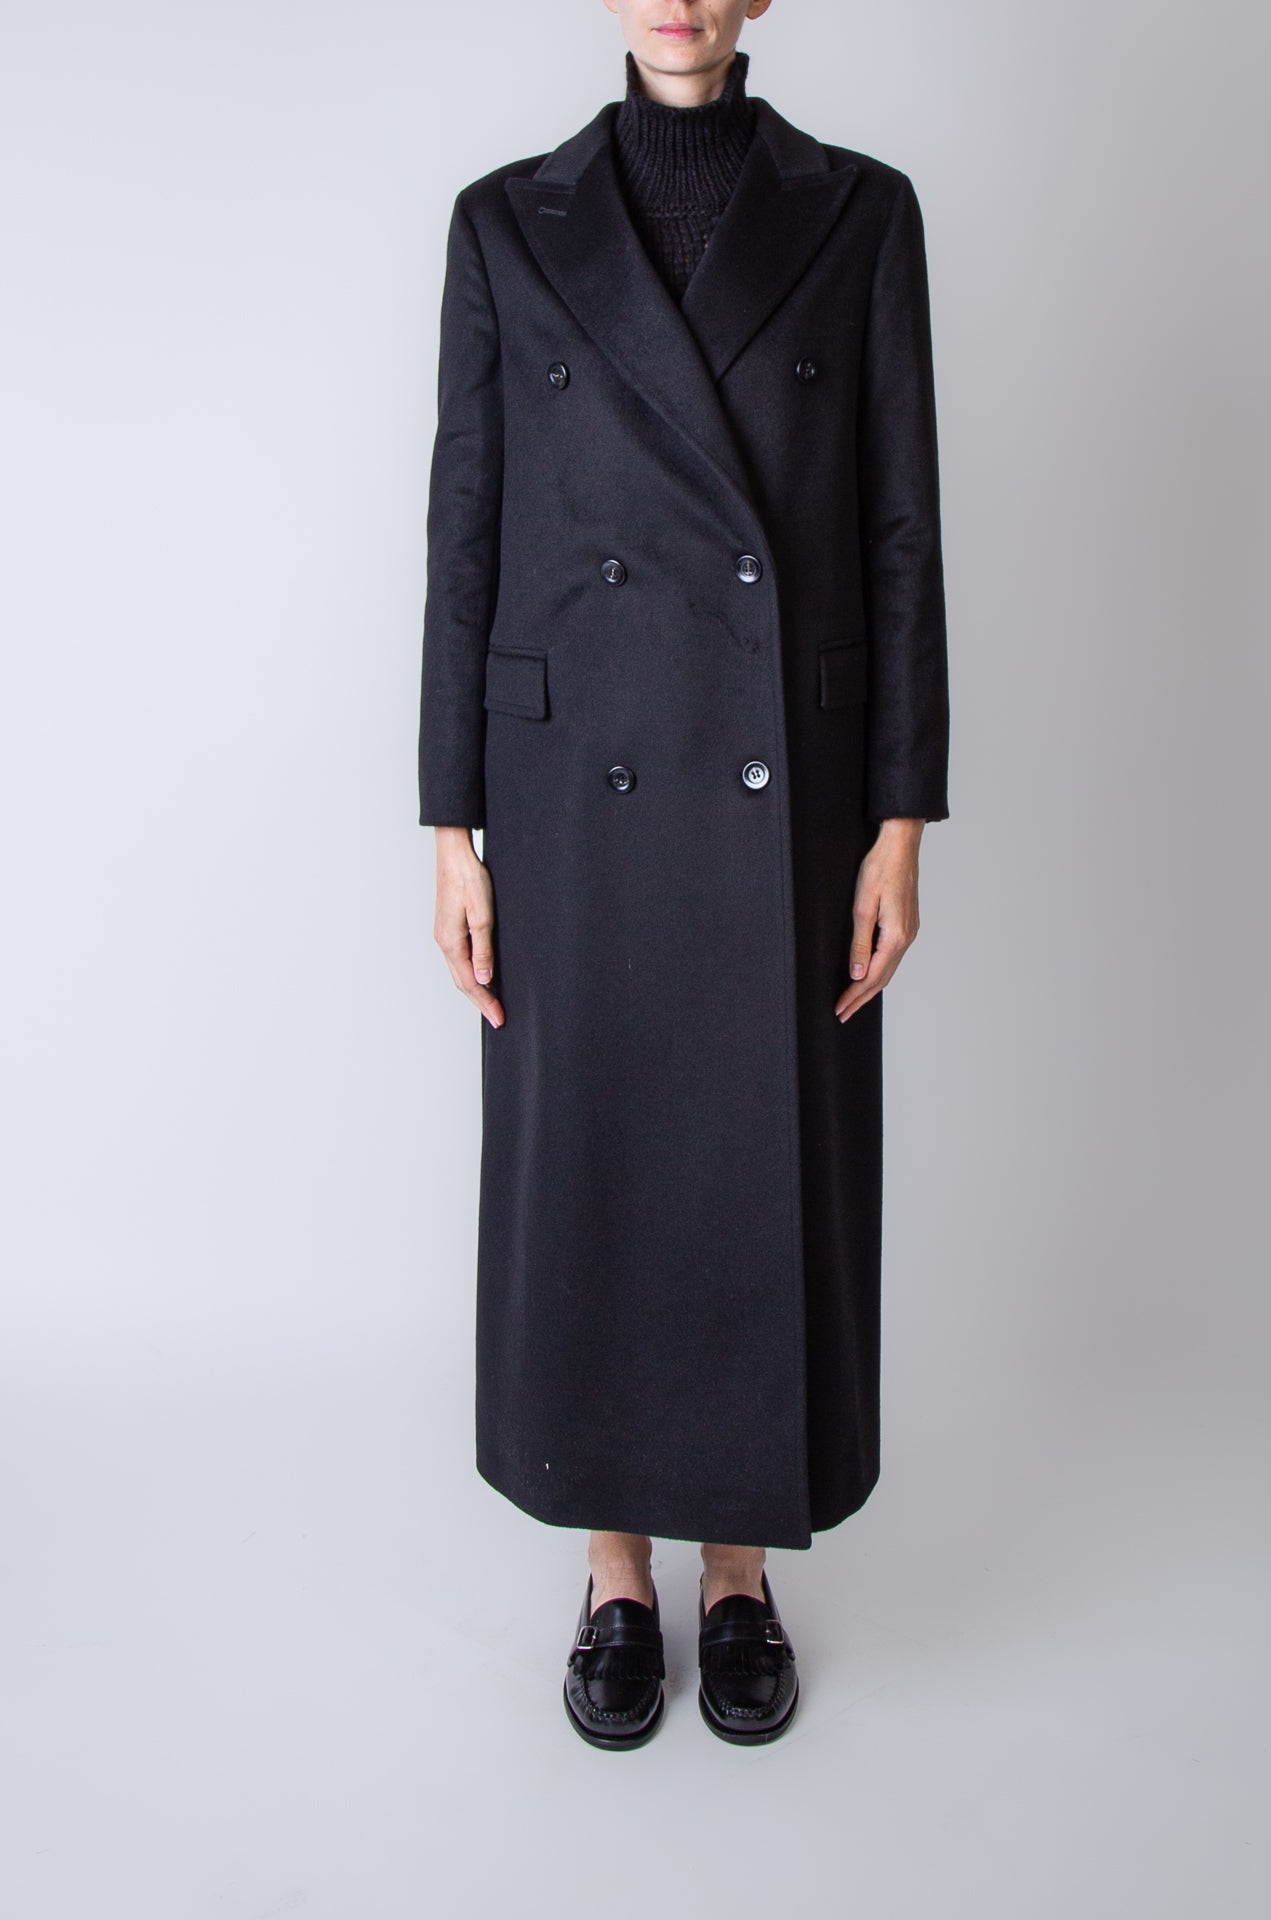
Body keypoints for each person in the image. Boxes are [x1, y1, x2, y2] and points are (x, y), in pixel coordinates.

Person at [417, 0, 950, 1749]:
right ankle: (612, 1572)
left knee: (761, 1157)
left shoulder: (861, 212)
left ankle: (739, 1570)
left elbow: (899, 529)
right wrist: (449, 824)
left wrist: (901, 814)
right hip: (571, 775)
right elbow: (465, 533)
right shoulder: (505, 224)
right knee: (595, 1159)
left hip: (785, 781)